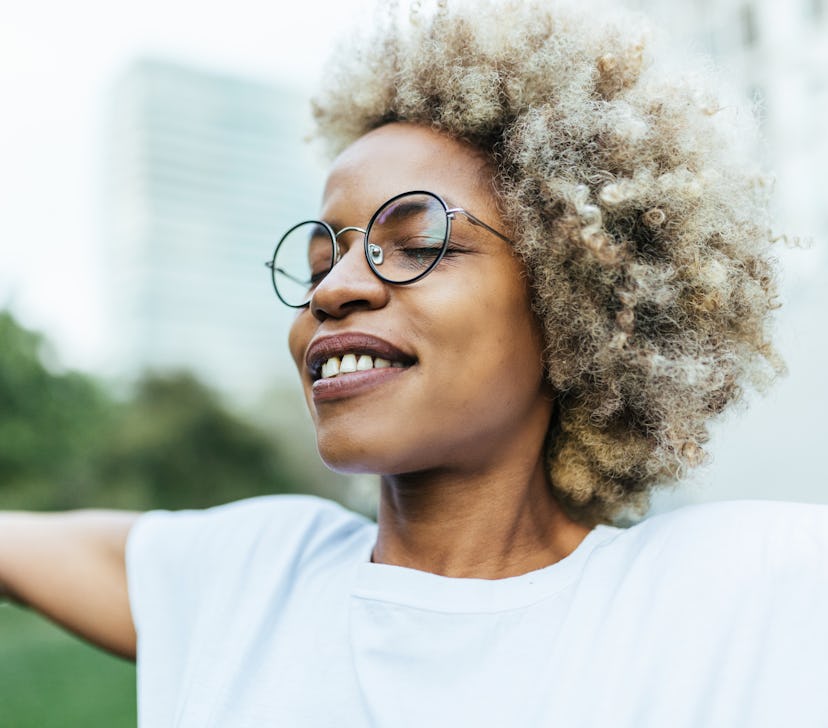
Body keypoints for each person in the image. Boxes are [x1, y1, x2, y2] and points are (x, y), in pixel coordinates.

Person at [1, 0, 827, 725]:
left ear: (577, 298)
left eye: (419, 243)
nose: (334, 290)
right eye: (323, 258)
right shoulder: (247, 575)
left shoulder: (742, 591)